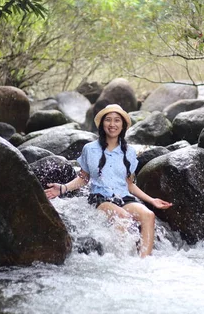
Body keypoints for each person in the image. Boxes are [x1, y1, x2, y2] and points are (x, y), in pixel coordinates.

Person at [45, 104, 172, 257]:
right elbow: (84, 178)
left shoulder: (130, 152)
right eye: (108, 120)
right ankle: (123, 260)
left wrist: (152, 200)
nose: (112, 124)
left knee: (148, 215)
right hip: (101, 199)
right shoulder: (90, 149)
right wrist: (63, 188)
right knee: (123, 217)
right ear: (102, 124)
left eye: (117, 120)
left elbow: (129, 184)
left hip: (124, 198)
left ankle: (143, 263)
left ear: (123, 125)